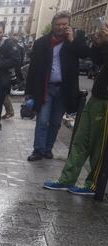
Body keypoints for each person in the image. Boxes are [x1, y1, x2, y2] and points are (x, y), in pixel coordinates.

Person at [43, 24, 108, 196]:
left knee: (98, 146)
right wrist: (98, 43)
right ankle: (67, 179)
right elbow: (98, 61)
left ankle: (95, 185)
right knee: (80, 140)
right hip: (96, 97)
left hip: (106, 102)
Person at [26, 11, 90, 161]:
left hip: (64, 89)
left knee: (55, 122)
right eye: (58, 24)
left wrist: (72, 40)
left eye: (64, 24)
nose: (61, 27)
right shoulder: (42, 43)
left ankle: (48, 148)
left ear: (69, 25)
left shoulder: (73, 41)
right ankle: (38, 150)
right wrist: (29, 92)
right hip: (46, 87)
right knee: (42, 120)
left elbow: (85, 54)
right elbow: (33, 68)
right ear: (53, 25)